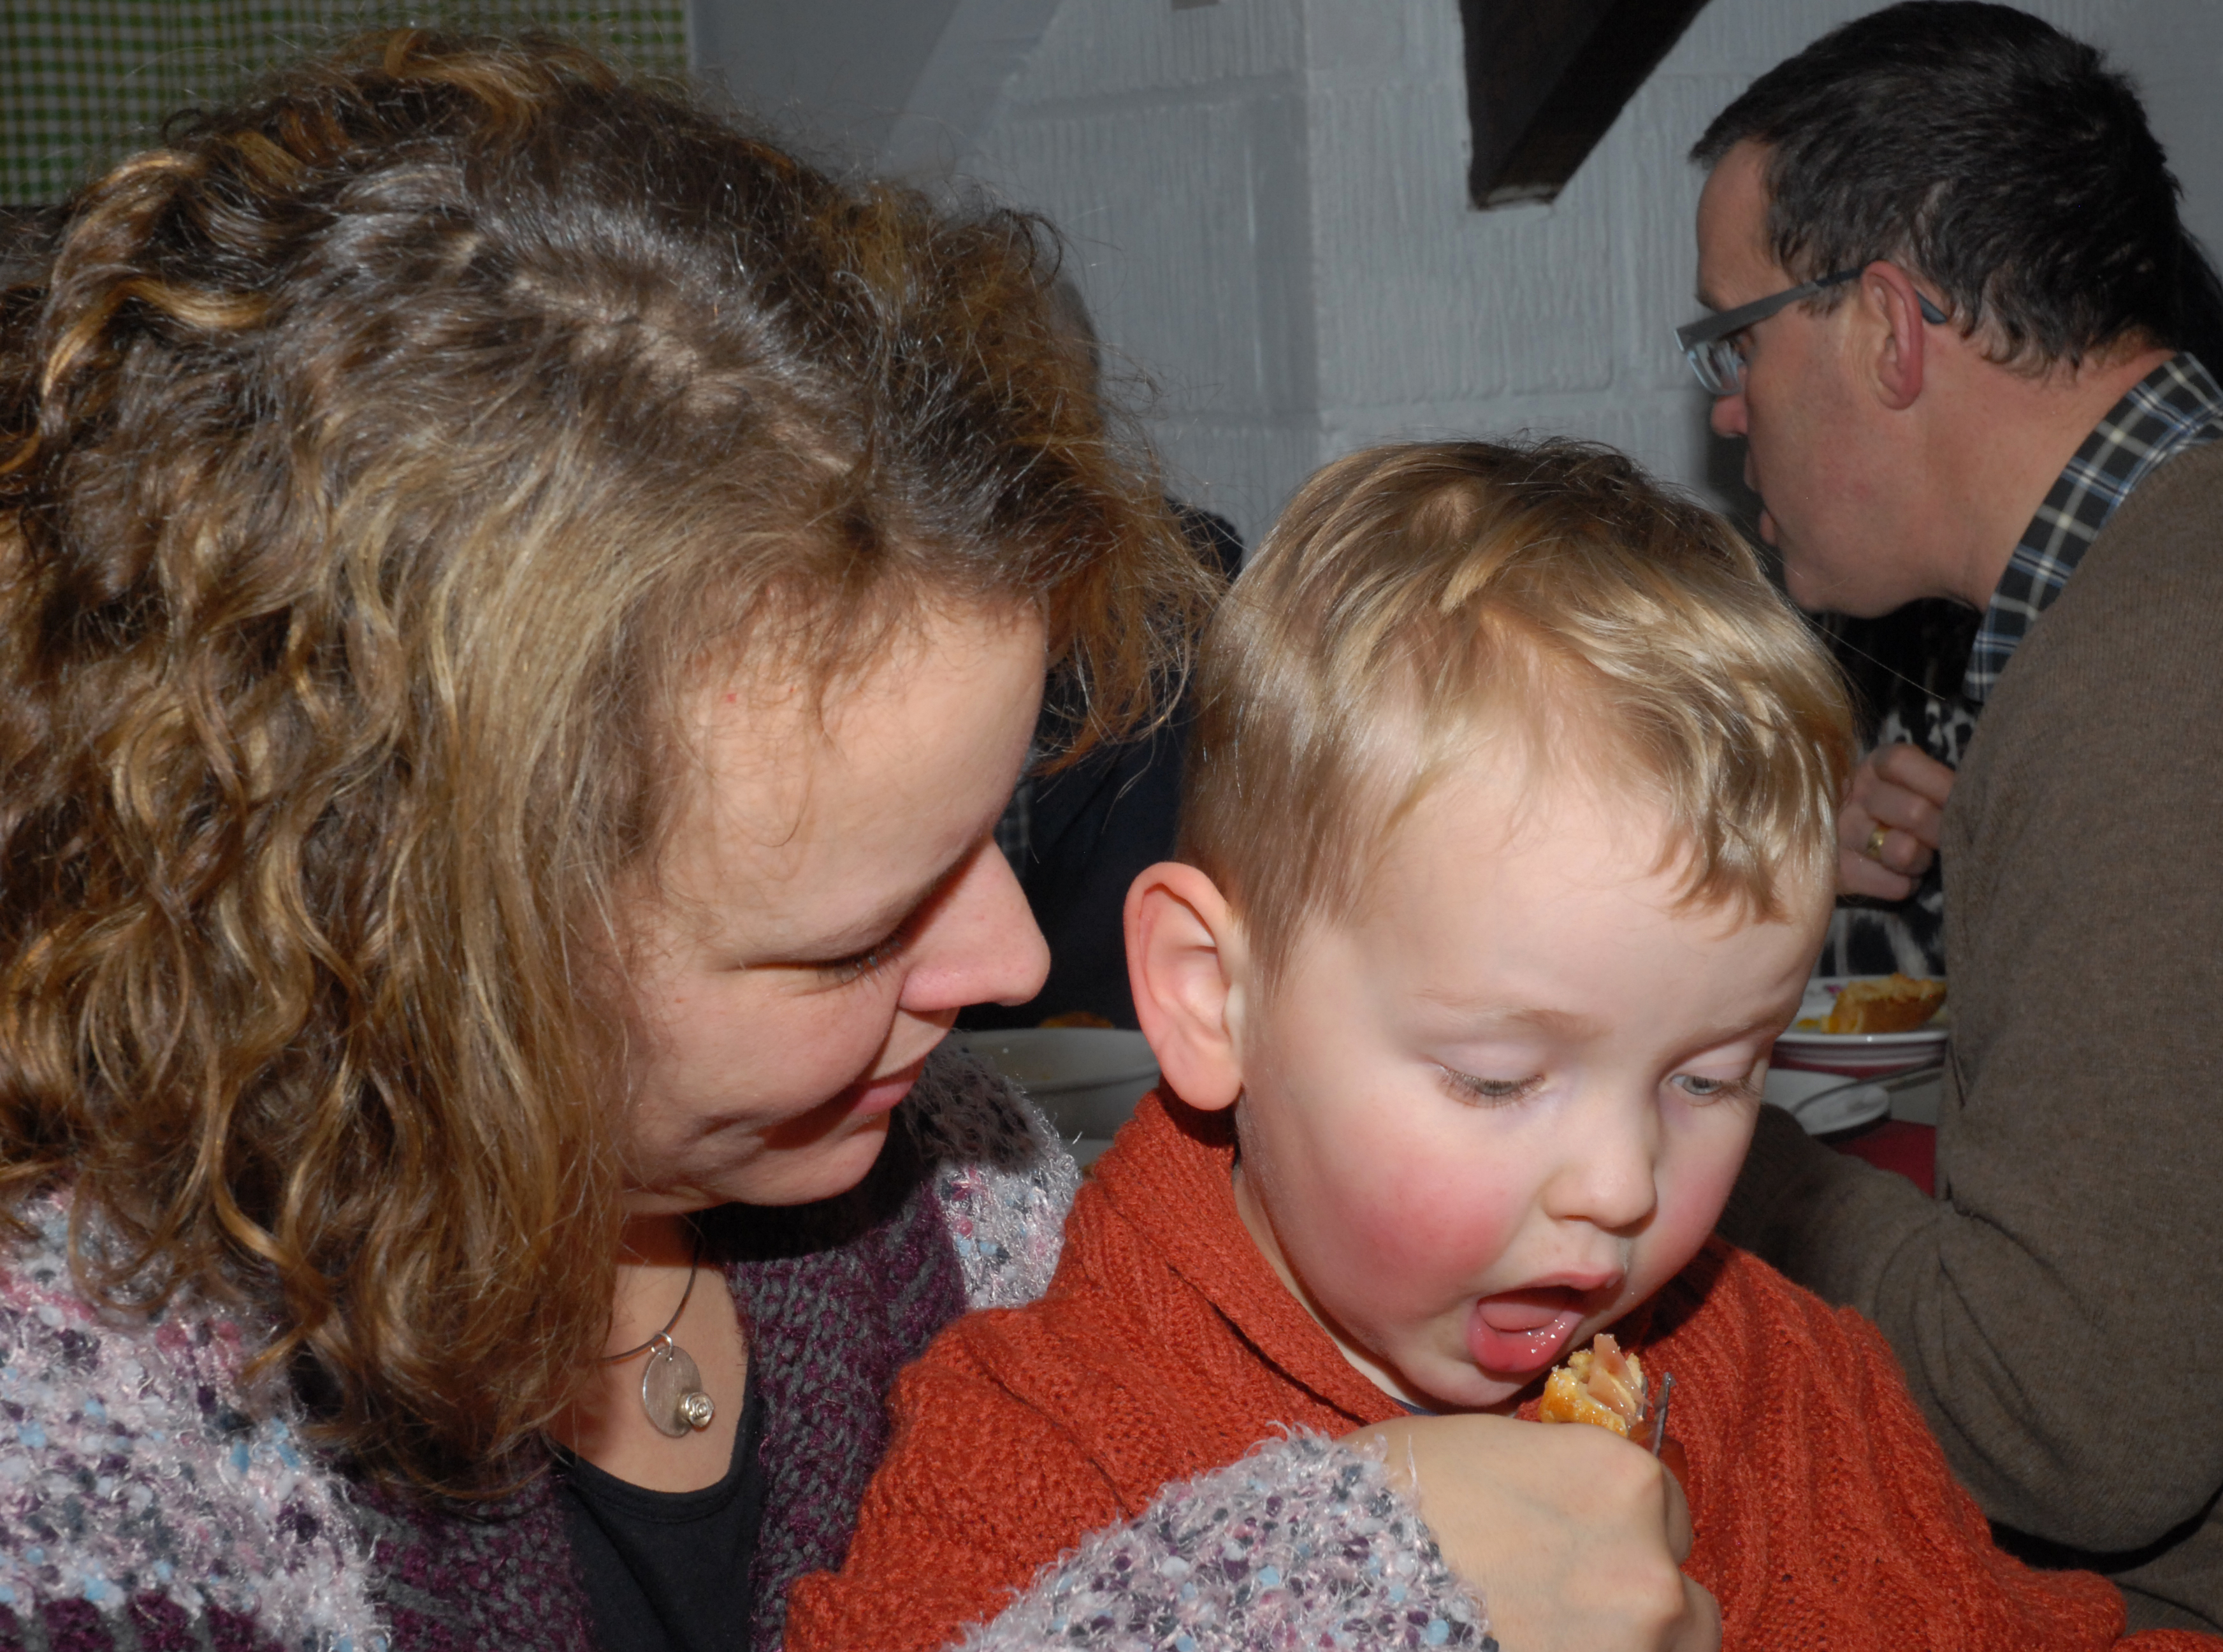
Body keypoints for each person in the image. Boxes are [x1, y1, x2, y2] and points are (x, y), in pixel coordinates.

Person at [0, 33, 1734, 1652]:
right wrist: (1289, 1609)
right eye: (850, 936)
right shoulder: (84, 1436)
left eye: (991, 831)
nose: (1012, 960)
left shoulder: (968, 1211)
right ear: (411, 946)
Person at [782, 440, 2211, 1652]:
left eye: (1710, 1077)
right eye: (1500, 1078)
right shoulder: (1035, 1449)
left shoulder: (1786, 1387)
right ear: (1213, 998)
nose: (1622, 1186)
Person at [1678, 3, 2223, 1632]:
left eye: (1735, 340)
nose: (1725, 409)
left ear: (1886, 330)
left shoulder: (2150, 675)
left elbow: (2062, 1424)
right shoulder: (2135, 604)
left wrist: (1711, 1157)